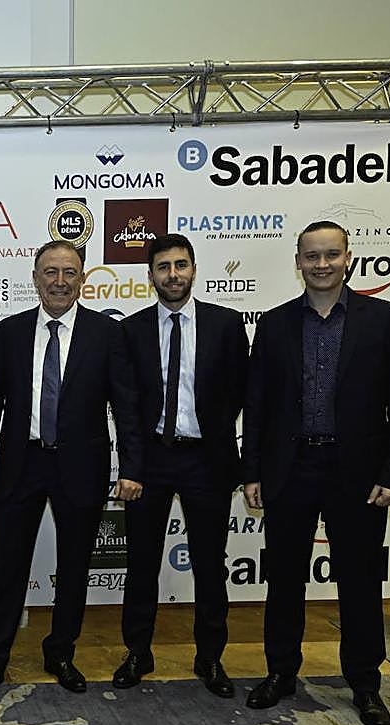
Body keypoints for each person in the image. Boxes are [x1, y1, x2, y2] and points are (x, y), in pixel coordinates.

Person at [242, 220, 390, 725]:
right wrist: (252, 471)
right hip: (290, 469)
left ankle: (365, 684)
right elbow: (257, 405)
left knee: (359, 580)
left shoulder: (386, 321)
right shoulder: (274, 324)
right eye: (311, 256)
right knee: (284, 577)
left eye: (331, 254)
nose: (321, 264)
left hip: (357, 472)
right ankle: (280, 672)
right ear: (298, 262)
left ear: (348, 259)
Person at [0, 240, 143, 703]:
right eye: (50, 272)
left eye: (69, 272)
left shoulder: (108, 333)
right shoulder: (10, 330)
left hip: (81, 465)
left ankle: (61, 653)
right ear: (35, 278)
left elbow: (126, 406)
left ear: (82, 279)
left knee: (75, 564)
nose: (59, 281)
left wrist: (131, 466)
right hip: (21, 461)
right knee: (7, 565)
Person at [113, 233, 248, 697]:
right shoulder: (130, 331)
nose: (173, 275)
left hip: (207, 461)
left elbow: (239, 392)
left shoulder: (226, 324)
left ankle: (210, 657)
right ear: (150, 275)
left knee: (210, 564)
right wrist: (131, 465)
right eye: (164, 267)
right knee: (141, 562)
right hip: (150, 459)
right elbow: (127, 407)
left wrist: (216, 435)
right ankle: (138, 652)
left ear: (193, 269)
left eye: (181, 265)